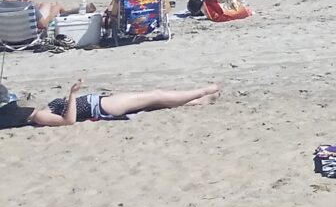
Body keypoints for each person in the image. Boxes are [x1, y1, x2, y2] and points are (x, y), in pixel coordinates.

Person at [4, 81, 221, 130]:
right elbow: (68, 121)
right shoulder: (39, 117)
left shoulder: (39, 112)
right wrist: (72, 94)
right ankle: (202, 91)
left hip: (101, 103)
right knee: (156, 95)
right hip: (102, 107)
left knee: (157, 103)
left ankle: (197, 101)